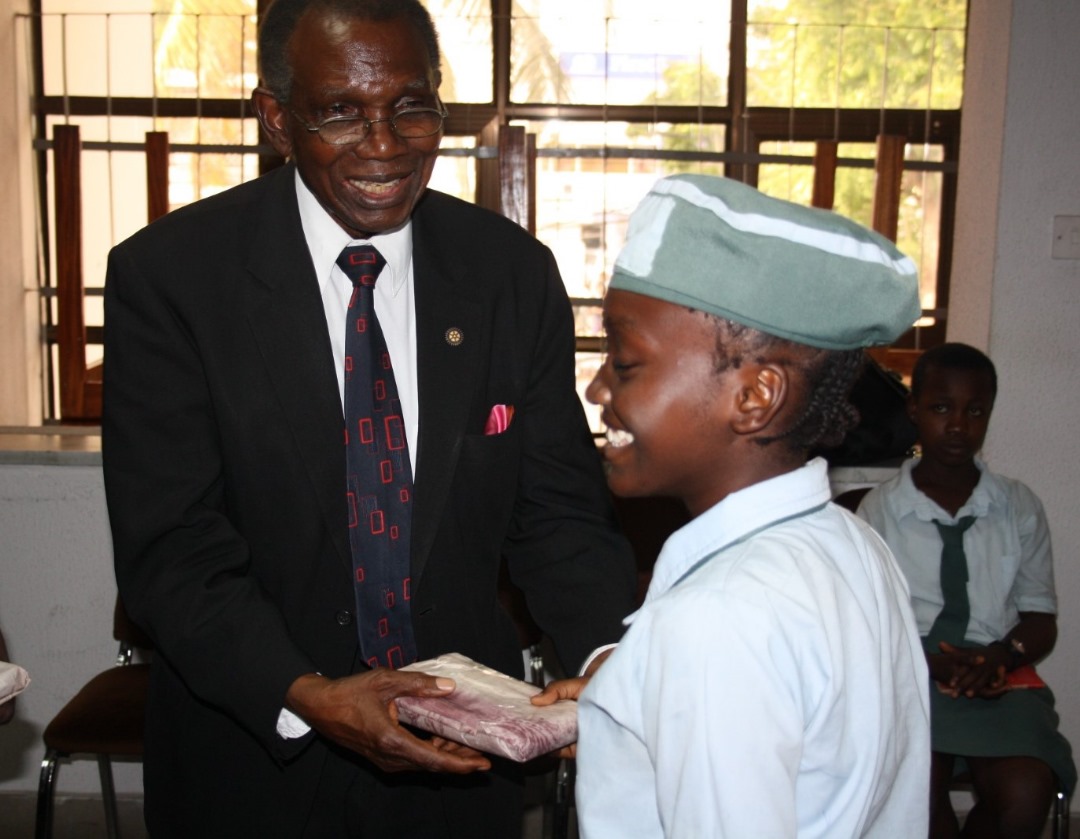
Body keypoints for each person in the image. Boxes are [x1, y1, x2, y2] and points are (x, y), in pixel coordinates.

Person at [101, 0, 636, 835]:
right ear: (277, 119)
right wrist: (309, 696)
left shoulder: (510, 277)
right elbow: (172, 547)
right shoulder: (173, 280)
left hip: (461, 761)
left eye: (410, 107)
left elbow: (559, 513)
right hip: (252, 754)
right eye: (341, 112)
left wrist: (612, 661)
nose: (384, 145)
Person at [533, 173, 932, 837]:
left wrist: (676, 664)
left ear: (755, 396)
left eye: (626, 362)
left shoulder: (716, 621)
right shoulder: (854, 544)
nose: (599, 388)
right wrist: (633, 686)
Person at [857, 343, 1075, 838]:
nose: (958, 425)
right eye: (940, 408)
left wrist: (1000, 657)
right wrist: (928, 664)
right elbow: (866, 623)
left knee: (1025, 793)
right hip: (909, 670)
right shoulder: (879, 511)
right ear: (913, 410)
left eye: (975, 411)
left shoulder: (1018, 505)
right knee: (915, 796)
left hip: (997, 669)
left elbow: (1040, 620)